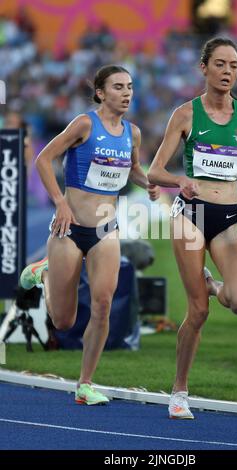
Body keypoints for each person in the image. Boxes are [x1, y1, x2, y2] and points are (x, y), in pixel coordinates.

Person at [20, 65, 160, 405]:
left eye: (129, 86)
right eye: (118, 87)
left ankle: (85, 384)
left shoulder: (133, 133)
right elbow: (43, 159)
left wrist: (148, 184)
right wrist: (60, 203)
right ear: (100, 93)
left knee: (102, 305)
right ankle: (45, 274)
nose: (127, 93)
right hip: (69, 230)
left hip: (105, 231)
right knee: (63, 321)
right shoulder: (84, 124)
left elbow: (133, 168)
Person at [148, 37, 237, 419]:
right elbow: (155, 170)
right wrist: (178, 182)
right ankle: (180, 391)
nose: (228, 72)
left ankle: (214, 283)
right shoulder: (185, 114)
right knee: (198, 311)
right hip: (190, 215)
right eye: (220, 64)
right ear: (204, 68)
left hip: (227, 217)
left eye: (234, 65)